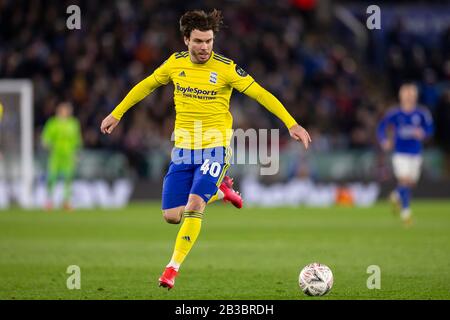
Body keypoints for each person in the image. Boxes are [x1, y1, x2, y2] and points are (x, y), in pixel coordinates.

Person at [100, 9, 311, 289]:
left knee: (195, 206)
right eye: (199, 41)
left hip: (216, 147)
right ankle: (222, 191)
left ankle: (171, 269)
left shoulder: (225, 68)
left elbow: (260, 93)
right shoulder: (174, 64)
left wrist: (291, 123)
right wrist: (117, 114)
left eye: (209, 41)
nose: (205, 47)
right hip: (184, 150)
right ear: (186, 39)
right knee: (172, 216)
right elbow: (146, 85)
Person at [377, 83, 434, 226]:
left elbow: (430, 129)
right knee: (405, 180)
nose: (408, 98)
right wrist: (384, 140)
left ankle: (396, 195)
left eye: (411, 95)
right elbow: (381, 127)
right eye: (406, 95)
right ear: (401, 96)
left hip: (416, 153)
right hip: (400, 153)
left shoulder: (421, 113)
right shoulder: (395, 113)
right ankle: (406, 213)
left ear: (415, 97)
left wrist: (423, 133)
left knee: (411, 183)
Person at [42, 102, 82, 210]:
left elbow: (77, 140)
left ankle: (66, 201)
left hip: (69, 155)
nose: (67, 112)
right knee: (52, 178)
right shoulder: (52, 123)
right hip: (55, 154)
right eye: (64, 110)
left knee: (68, 179)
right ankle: (49, 201)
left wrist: (77, 153)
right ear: (59, 111)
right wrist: (46, 144)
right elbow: (46, 138)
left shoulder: (73, 123)